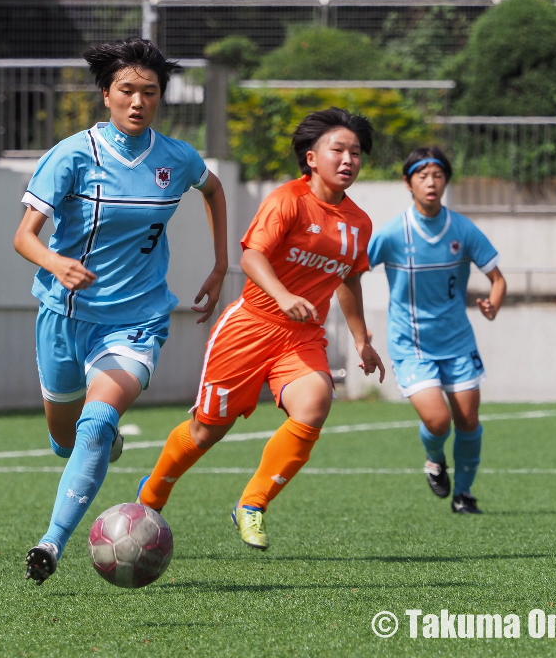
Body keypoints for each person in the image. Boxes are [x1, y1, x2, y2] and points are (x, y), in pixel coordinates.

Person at [14, 37, 228, 584]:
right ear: (106, 94)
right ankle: (98, 443)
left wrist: (220, 264)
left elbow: (213, 189)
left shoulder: (176, 158)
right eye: (127, 90)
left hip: (137, 320)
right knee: (66, 440)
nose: (138, 101)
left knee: (96, 421)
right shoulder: (72, 155)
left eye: (149, 92)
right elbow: (24, 237)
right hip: (64, 317)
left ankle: (50, 543)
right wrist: (56, 263)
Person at [137, 108, 385, 551]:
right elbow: (252, 257)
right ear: (312, 157)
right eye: (339, 150)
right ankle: (151, 495)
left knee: (315, 403)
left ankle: (252, 504)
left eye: (356, 153)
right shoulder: (287, 199)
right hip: (250, 328)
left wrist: (362, 340)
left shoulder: (359, 223)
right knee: (206, 432)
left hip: (301, 337)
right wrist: (284, 295)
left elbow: (349, 279)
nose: (349, 159)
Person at [366, 147, 506, 515]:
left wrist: (493, 303)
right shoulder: (393, 233)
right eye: (422, 175)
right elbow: (350, 273)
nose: (431, 182)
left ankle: (464, 495)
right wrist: (358, 331)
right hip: (410, 345)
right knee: (438, 420)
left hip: (458, 343)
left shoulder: (462, 229)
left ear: (446, 181)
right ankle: (434, 459)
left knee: (468, 421)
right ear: (408, 182)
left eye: (438, 175)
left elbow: (497, 279)